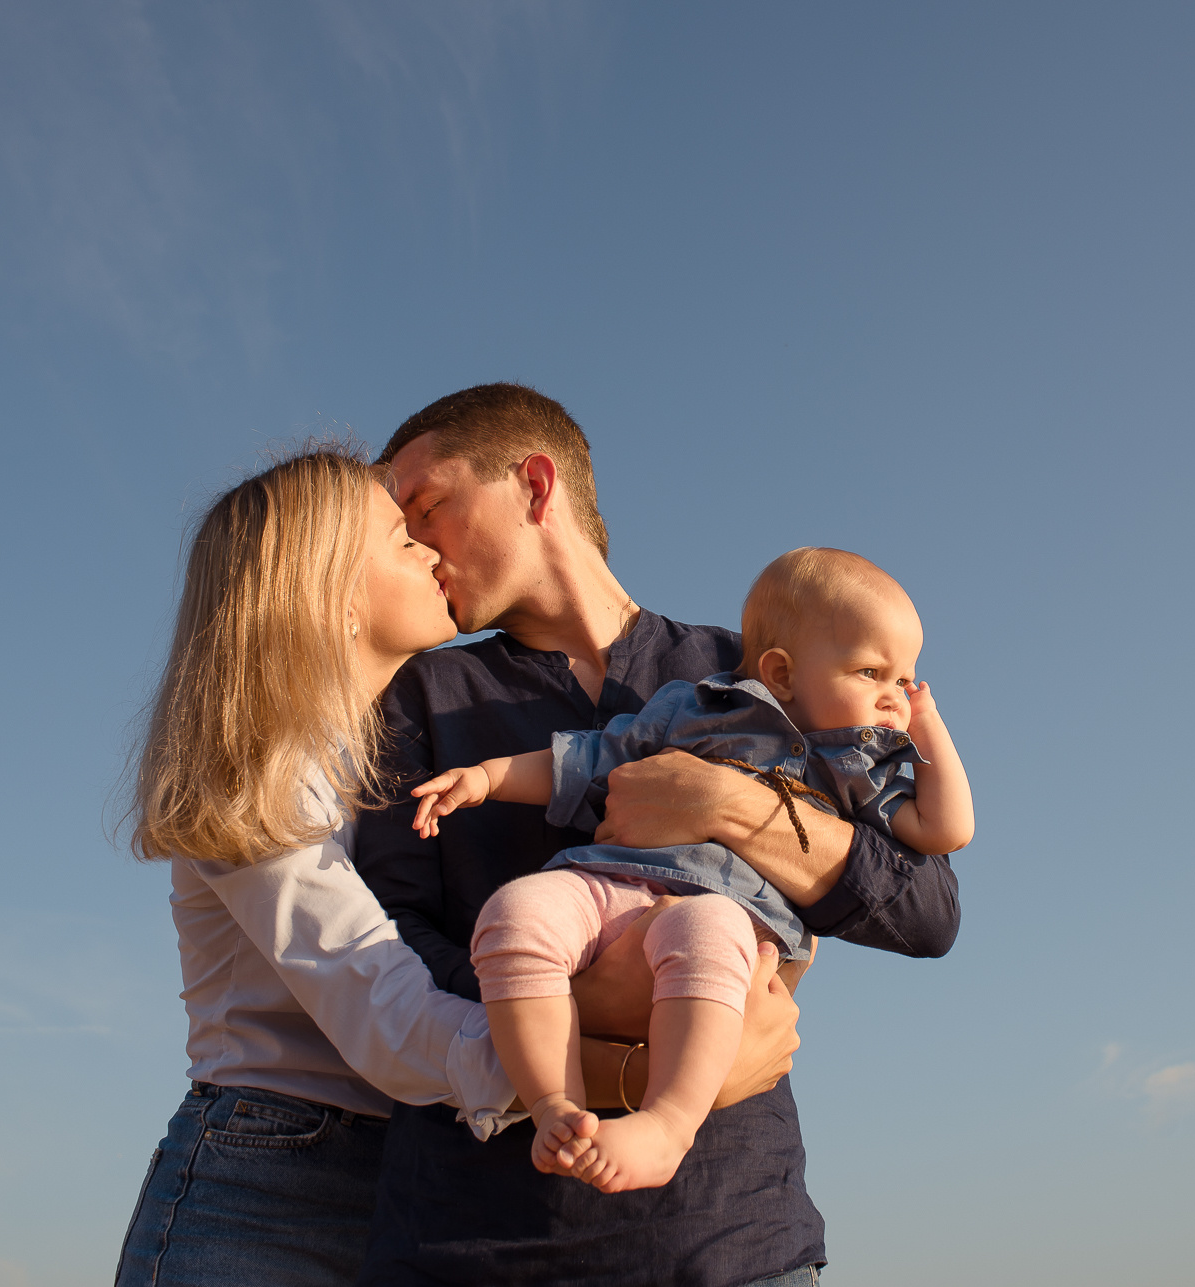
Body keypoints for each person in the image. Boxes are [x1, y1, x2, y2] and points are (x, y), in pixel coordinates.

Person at [112, 441, 800, 1287]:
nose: (434, 551)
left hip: (415, 1164)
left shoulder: (400, 739)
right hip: (270, 1175)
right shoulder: (267, 765)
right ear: (331, 598)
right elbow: (385, 1009)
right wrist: (638, 1068)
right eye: (404, 542)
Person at [356, 386, 962, 1286]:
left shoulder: (753, 672)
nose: (415, 540)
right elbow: (387, 951)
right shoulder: (415, 698)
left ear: (534, 483)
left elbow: (928, 908)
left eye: (428, 503)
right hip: (474, 1244)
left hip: (731, 1243)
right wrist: (614, 1054)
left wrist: (726, 807)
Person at [410, 546, 975, 1194]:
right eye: (873, 671)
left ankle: (666, 1125)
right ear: (781, 672)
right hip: (610, 875)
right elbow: (586, 759)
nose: (894, 697)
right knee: (515, 913)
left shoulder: (859, 766)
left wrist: (929, 733)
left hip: (727, 905)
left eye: (905, 679)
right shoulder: (697, 703)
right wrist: (486, 777)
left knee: (704, 939)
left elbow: (944, 833)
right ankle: (553, 1104)